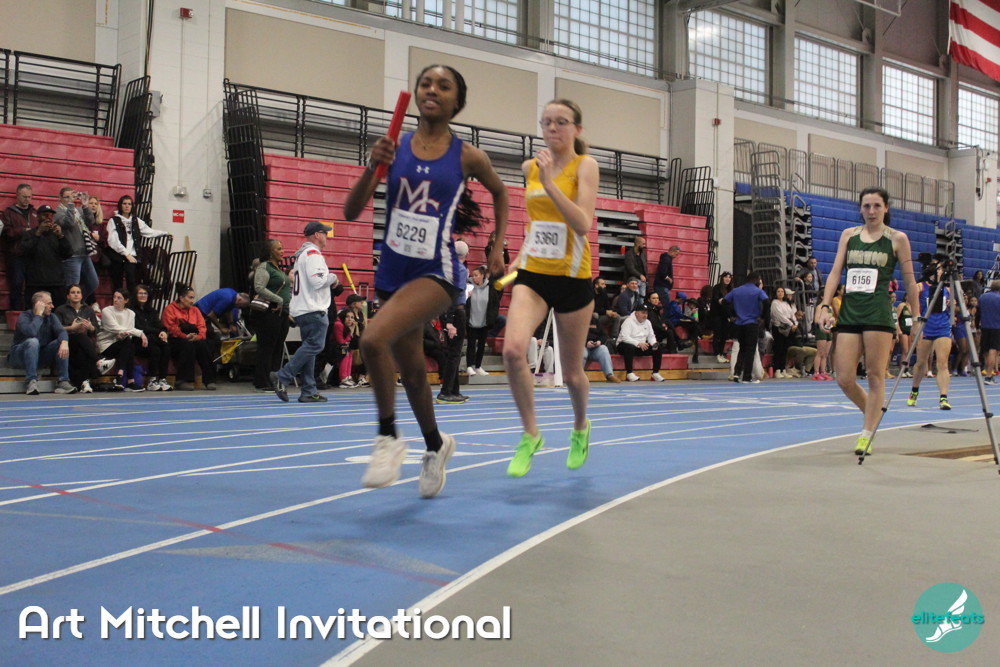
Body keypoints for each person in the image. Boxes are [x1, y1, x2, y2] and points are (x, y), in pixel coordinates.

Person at [344, 64, 509, 498]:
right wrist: (372, 167)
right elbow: (350, 211)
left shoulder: (468, 156)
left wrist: (496, 247)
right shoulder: (394, 146)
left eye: (443, 86)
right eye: (425, 83)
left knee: (372, 340)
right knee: (415, 374)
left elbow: (501, 192)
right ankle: (436, 446)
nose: (432, 89)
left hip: (437, 271)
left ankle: (388, 437)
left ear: (457, 102)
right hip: (393, 270)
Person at [500, 98, 597, 478]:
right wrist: (520, 253)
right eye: (547, 122)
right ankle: (530, 434)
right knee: (512, 351)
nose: (553, 128)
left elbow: (582, 223)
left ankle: (580, 427)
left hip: (572, 278)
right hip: (534, 274)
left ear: (577, 129)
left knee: (571, 374)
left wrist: (551, 182)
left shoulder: (585, 166)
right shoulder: (530, 167)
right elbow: (536, 222)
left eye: (561, 122)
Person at [816, 187, 918, 456]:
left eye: (876, 206)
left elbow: (910, 281)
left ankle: (867, 433)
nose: (871, 211)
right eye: (866, 206)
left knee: (874, 375)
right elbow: (835, 272)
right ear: (860, 209)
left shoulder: (897, 239)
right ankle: (873, 413)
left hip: (878, 314)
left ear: (886, 208)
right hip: (850, 313)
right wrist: (825, 305)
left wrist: (916, 315)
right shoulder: (848, 236)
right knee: (844, 378)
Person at [269, 221, 340, 403]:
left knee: (309, 349)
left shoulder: (302, 256)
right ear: (317, 235)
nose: (327, 236)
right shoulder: (314, 255)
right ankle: (283, 376)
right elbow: (318, 281)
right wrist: (333, 277)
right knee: (315, 346)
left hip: (302, 308)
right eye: (325, 233)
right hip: (313, 308)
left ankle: (308, 390)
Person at [8, 291, 77, 395]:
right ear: (39, 304)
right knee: (33, 341)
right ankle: (31, 381)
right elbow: (31, 332)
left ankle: (63, 381)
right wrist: (38, 315)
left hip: (40, 355)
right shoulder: (24, 316)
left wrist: (64, 342)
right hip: (19, 357)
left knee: (61, 342)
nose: (52, 306)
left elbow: (62, 331)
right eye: (49, 303)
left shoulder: (52, 317)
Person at [906, 264, 953, 410]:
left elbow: (953, 308)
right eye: (939, 269)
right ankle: (914, 391)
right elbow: (910, 304)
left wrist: (953, 304)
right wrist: (916, 322)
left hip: (943, 327)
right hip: (926, 328)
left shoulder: (947, 289)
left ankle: (943, 397)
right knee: (921, 363)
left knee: (942, 363)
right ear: (933, 271)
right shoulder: (920, 287)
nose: (942, 271)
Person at [106, 195, 170, 295]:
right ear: (120, 205)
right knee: (117, 283)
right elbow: (113, 240)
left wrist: (165, 233)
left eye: (129, 204)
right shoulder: (113, 220)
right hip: (118, 255)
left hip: (133, 255)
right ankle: (117, 302)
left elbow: (149, 232)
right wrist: (126, 254)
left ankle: (131, 303)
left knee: (132, 282)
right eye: (124, 203)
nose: (127, 206)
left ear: (132, 206)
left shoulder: (136, 220)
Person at [252, 239, 292, 392]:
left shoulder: (278, 268)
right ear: (270, 252)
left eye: (282, 248)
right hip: (269, 313)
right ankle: (262, 381)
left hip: (282, 313)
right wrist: (279, 299)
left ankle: (274, 379)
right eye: (279, 249)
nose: (282, 251)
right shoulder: (264, 267)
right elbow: (259, 287)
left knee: (277, 348)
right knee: (266, 347)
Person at [162, 284, 217, 391]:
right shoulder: (170, 309)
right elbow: (171, 328)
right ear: (182, 298)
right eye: (190, 298)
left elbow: (202, 327)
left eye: (193, 298)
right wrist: (185, 336)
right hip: (176, 340)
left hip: (194, 338)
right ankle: (182, 380)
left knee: (203, 345)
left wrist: (198, 337)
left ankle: (209, 380)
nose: (192, 301)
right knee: (188, 345)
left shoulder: (195, 310)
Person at [54, 284, 106, 393]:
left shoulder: (88, 310)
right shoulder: (61, 310)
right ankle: (98, 361)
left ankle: (84, 383)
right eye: (73, 292)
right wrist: (72, 328)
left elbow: (96, 329)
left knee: (82, 347)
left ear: (82, 296)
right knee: (80, 337)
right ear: (68, 296)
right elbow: (56, 329)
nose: (76, 295)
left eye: (78, 292)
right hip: (67, 342)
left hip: (84, 344)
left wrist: (91, 327)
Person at [437, 240, 470, 404]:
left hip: (446, 311)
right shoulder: (460, 269)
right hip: (455, 312)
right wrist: (450, 322)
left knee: (453, 353)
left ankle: (454, 390)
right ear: (466, 254)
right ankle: (445, 391)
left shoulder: (447, 267)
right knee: (454, 354)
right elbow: (453, 293)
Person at [54, 187, 100, 302]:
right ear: (60, 198)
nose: (70, 199)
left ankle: (79, 304)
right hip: (72, 255)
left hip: (85, 253)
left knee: (93, 282)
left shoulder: (78, 210)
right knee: (72, 286)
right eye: (67, 197)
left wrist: (85, 205)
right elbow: (69, 223)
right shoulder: (58, 212)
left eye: (72, 197)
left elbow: (90, 221)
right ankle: (70, 307)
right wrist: (70, 205)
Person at [20, 206, 71, 307]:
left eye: (51, 215)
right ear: (38, 217)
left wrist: (61, 236)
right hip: (36, 283)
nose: (48, 218)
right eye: (45, 215)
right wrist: (38, 233)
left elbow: (68, 254)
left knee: (58, 313)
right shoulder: (29, 233)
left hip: (57, 283)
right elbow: (25, 251)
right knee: (36, 312)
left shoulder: (57, 234)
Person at [97, 289, 147, 391]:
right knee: (128, 344)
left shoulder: (131, 313)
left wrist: (127, 334)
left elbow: (129, 331)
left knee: (128, 343)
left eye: (119, 298)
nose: (115, 300)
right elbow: (114, 327)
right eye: (114, 297)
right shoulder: (107, 311)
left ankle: (122, 378)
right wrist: (140, 333)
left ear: (126, 300)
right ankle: (128, 380)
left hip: (123, 343)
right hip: (107, 344)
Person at [725, 272, 769, 384]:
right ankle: (747, 376)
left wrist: (732, 315)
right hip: (751, 323)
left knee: (742, 349)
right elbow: (766, 302)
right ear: (756, 279)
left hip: (739, 323)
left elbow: (724, 301)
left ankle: (736, 373)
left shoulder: (736, 290)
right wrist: (763, 317)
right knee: (750, 350)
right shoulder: (758, 291)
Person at [0, 183, 37, 311]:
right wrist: (23, 231)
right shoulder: (8, 213)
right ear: (17, 196)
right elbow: (6, 233)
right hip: (16, 255)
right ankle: (15, 313)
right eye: (24, 196)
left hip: (33, 255)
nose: (27, 199)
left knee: (32, 286)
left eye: (29, 197)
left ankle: (30, 312)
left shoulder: (34, 213)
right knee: (16, 285)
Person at [131, 283, 173, 390]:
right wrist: (158, 331)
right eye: (140, 293)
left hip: (152, 339)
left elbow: (159, 324)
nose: (143, 295)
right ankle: (152, 380)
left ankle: (163, 378)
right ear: (135, 295)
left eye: (145, 293)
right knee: (155, 349)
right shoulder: (131, 311)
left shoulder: (152, 311)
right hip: (138, 341)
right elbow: (140, 327)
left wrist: (163, 331)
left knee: (166, 346)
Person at [465, 264, 502, 376]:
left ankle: (478, 366)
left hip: (484, 322)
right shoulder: (468, 286)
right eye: (473, 275)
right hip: (471, 321)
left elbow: (495, 304)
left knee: (481, 345)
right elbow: (462, 301)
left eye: (476, 275)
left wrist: (492, 317)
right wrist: (467, 296)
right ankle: (469, 366)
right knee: (471, 345)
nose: (474, 277)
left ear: (482, 276)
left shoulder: (490, 288)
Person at [617, 304, 665, 382]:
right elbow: (625, 337)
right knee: (629, 347)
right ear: (636, 313)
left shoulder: (648, 322)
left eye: (646, 313)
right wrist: (638, 343)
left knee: (658, 348)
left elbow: (651, 336)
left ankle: (655, 373)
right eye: (643, 313)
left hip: (641, 346)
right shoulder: (628, 321)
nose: (645, 315)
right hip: (624, 345)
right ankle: (629, 373)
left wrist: (654, 344)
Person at [584, 312, 620, 383]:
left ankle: (609, 375)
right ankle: (579, 376)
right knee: (581, 352)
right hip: (582, 346)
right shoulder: (576, 322)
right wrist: (585, 343)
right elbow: (573, 337)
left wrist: (599, 341)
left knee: (604, 349)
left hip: (595, 347)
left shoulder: (595, 320)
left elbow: (604, 335)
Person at [770, 286, 797, 377]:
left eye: (782, 291)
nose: (780, 293)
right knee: (778, 348)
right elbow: (780, 316)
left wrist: (795, 323)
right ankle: (777, 370)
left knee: (785, 349)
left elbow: (792, 314)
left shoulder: (786, 303)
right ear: (775, 293)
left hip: (788, 329)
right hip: (779, 328)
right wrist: (791, 324)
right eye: (778, 291)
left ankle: (783, 369)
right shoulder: (774, 303)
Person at [979, 280, 1000, 385]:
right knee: (993, 351)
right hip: (996, 327)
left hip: (984, 326)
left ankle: (987, 371)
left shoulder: (982, 297)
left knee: (986, 351)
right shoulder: (998, 298)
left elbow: (978, 312)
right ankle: (988, 376)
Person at [711, 271, 734, 363]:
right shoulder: (717, 287)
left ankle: (721, 353)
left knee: (724, 335)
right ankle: (717, 353)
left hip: (726, 315)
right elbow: (717, 300)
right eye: (726, 277)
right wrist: (722, 301)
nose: (728, 279)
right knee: (717, 334)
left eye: (729, 277)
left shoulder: (731, 289)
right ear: (722, 278)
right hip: (717, 314)